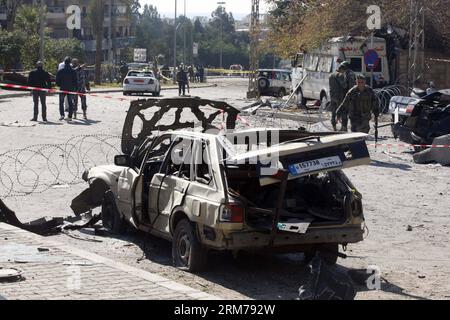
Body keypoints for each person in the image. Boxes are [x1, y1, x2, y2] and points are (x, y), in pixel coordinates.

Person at [56, 57, 77, 122]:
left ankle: (62, 115)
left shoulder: (60, 71)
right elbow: (75, 80)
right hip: (70, 89)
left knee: (61, 102)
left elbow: (57, 81)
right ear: (70, 63)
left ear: (64, 63)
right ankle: (70, 116)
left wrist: (60, 85)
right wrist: (74, 87)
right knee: (70, 103)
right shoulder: (73, 71)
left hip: (62, 88)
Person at [328, 64, 346, 131]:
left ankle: (334, 126)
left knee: (333, 112)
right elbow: (344, 85)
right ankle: (343, 127)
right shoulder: (340, 75)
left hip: (332, 96)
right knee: (341, 111)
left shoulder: (330, 75)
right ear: (341, 69)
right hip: (339, 96)